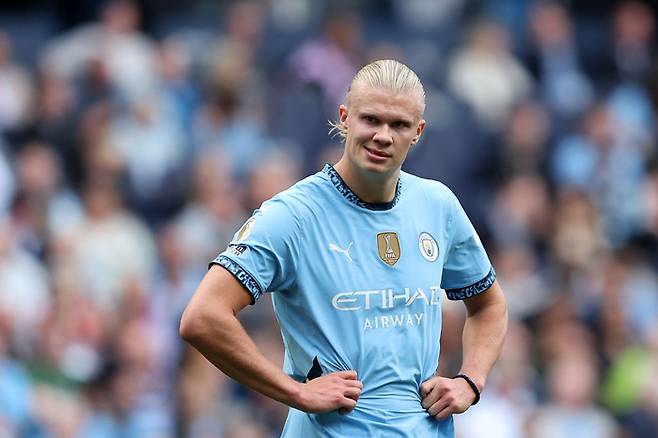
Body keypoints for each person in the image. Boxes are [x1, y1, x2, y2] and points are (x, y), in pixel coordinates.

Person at [179, 59, 508, 437]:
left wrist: (471, 380)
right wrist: (295, 392)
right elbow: (202, 316)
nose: (383, 135)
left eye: (399, 124)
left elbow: (489, 305)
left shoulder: (437, 205)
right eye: (371, 119)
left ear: (417, 132)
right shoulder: (293, 215)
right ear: (345, 117)